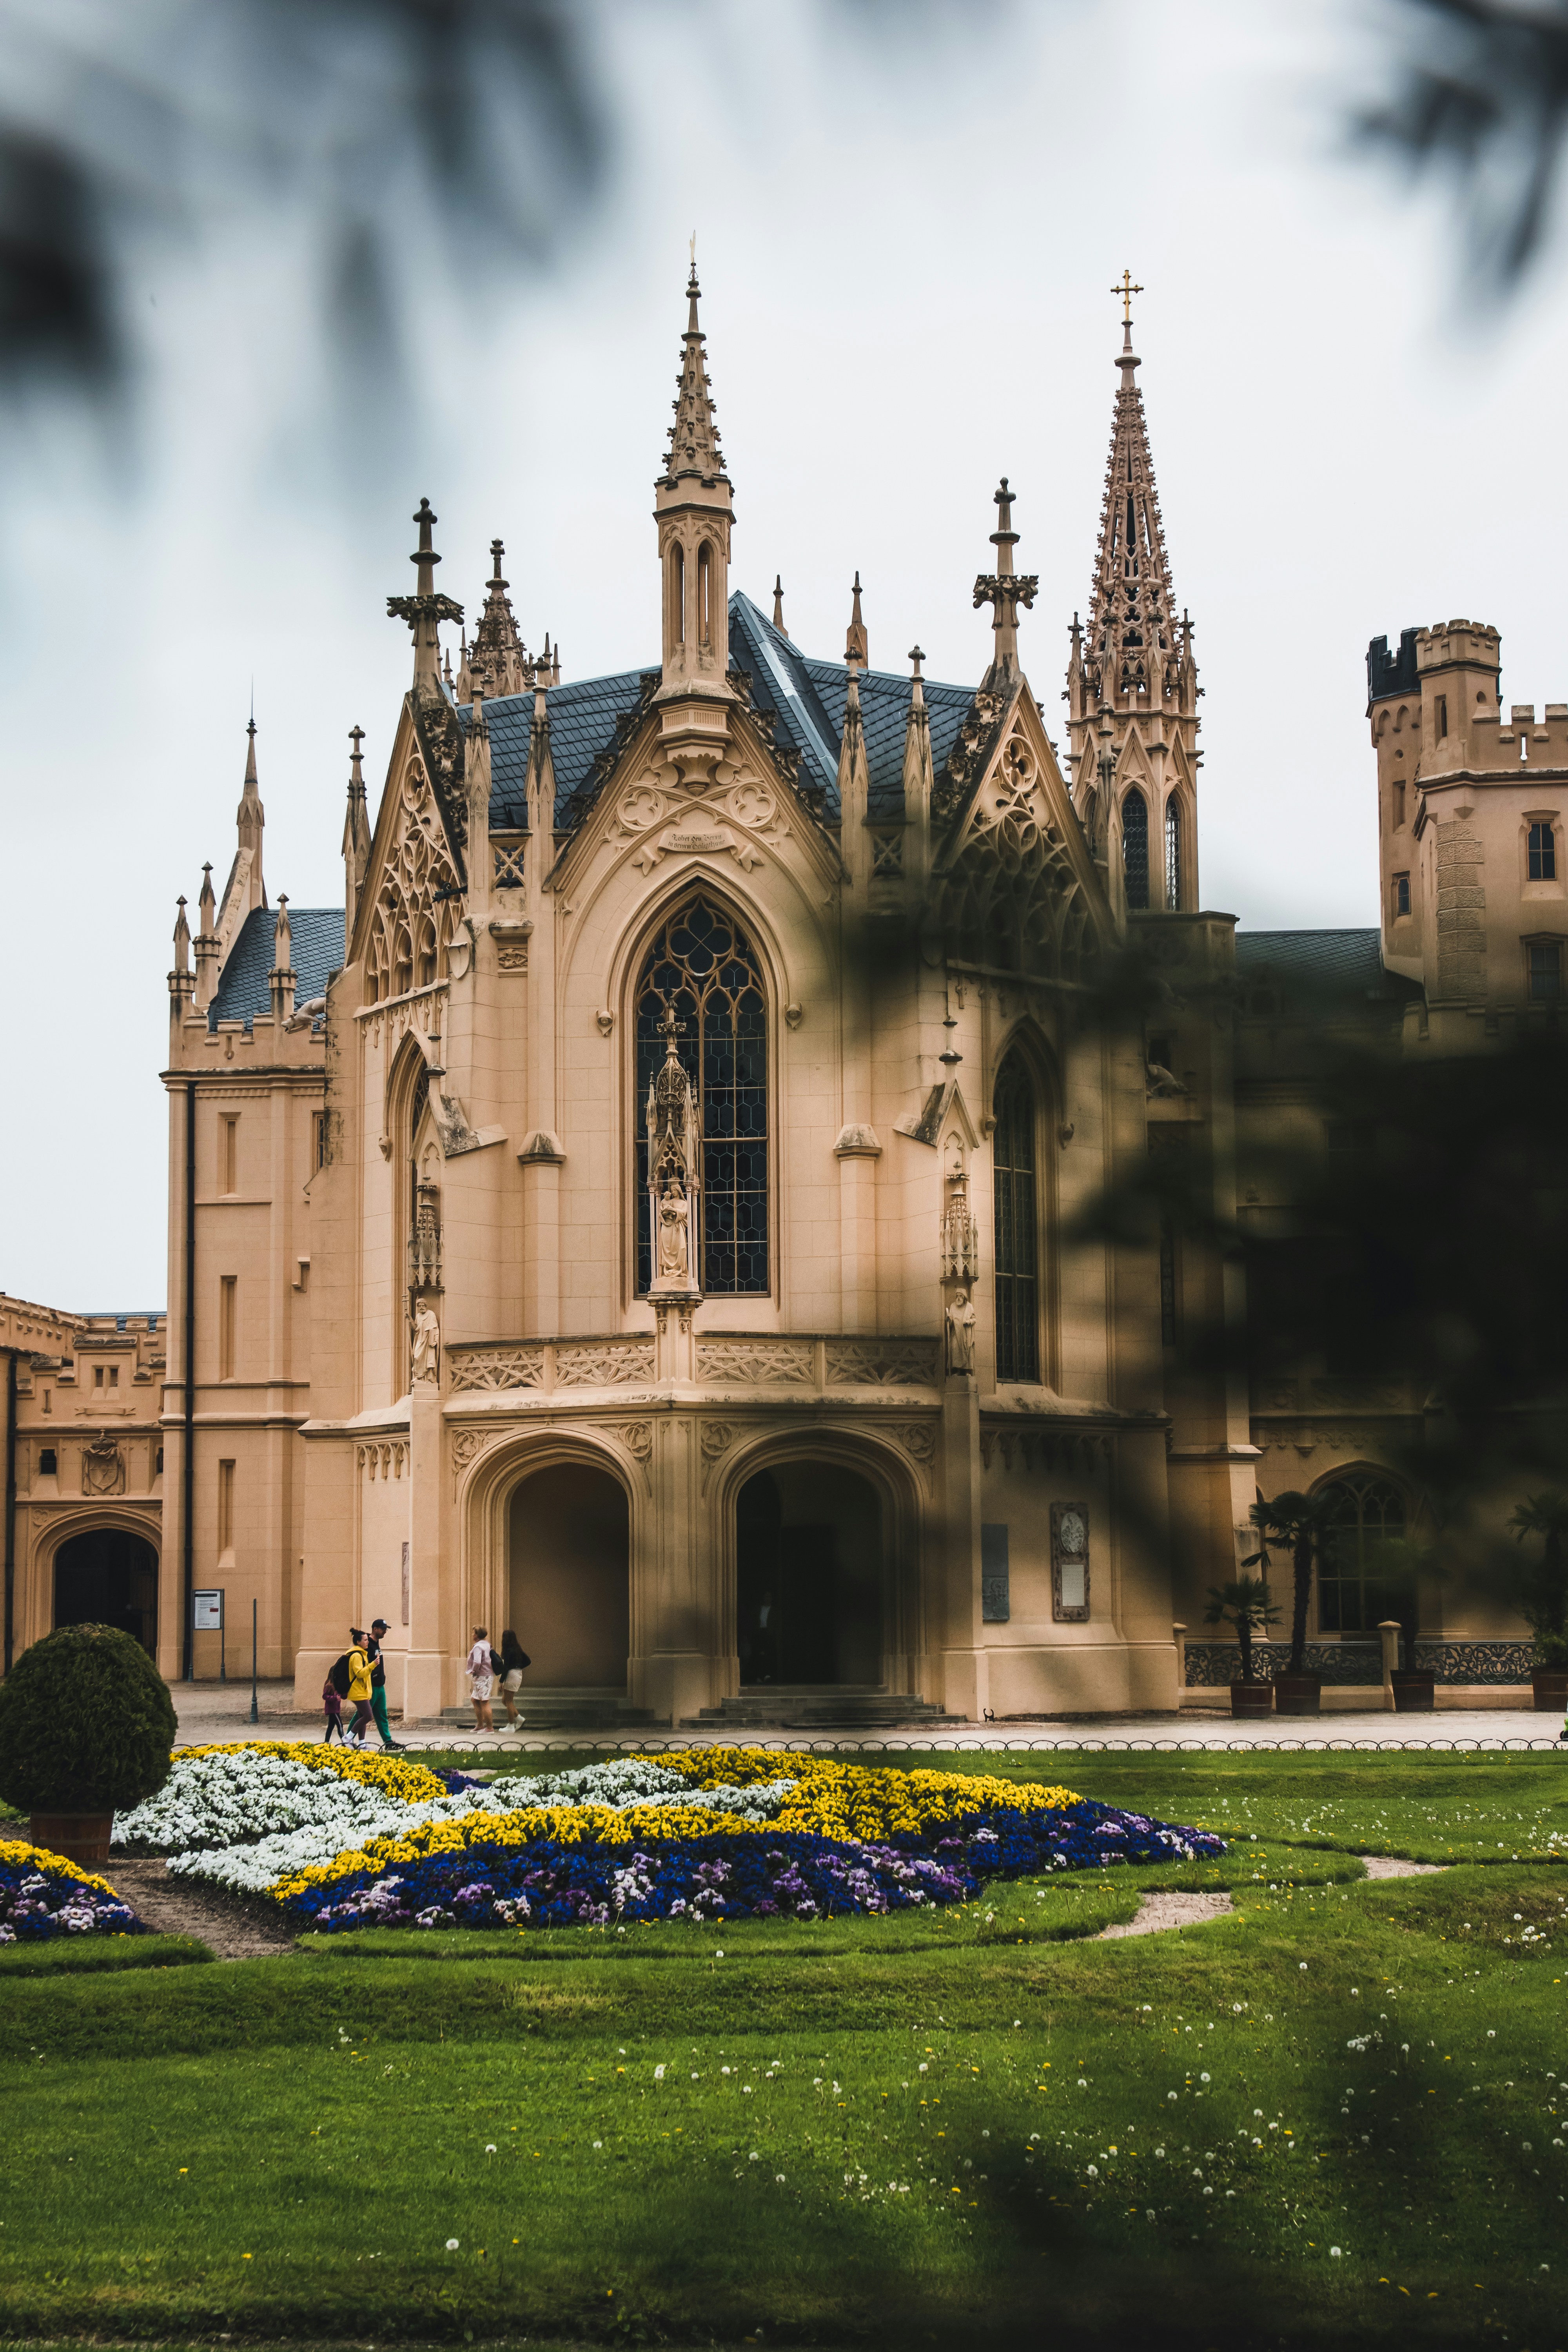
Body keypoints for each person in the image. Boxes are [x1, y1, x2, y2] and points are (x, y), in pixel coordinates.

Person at [365, 1619, 406, 1750]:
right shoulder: (368, 1645)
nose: (385, 1632)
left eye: (386, 1629)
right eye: (383, 1629)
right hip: (372, 1685)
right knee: (363, 1714)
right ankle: (348, 1737)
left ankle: (388, 1742)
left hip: (380, 1685)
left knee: (382, 1714)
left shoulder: (376, 1644)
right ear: (375, 1629)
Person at [345, 1628, 375, 1744]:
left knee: (362, 1716)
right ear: (358, 1642)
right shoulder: (357, 1656)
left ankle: (362, 1743)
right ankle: (349, 1737)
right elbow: (360, 1673)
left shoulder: (362, 1654)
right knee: (368, 1716)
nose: (368, 1642)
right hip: (357, 1691)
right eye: (366, 1640)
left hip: (362, 1690)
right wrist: (372, 1666)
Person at [498, 1629, 529, 1728]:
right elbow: (528, 1661)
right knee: (505, 1700)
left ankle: (511, 1725)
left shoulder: (508, 1650)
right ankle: (519, 1718)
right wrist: (518, 1666)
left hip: (512, 1674)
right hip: (518, 1673)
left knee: (509, 1701)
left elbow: (506, 1667)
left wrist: (501, 1682)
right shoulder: (517, 1649)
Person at [466, 1624, 495, 1731]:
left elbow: (477, 1662)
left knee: (484, 1702)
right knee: (475, 1700)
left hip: (482, 1677)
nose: (472, 1635)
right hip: (485, 1676)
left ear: (477, 1635)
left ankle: (490, 1728)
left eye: (474, 1633)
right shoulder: (487, 1644)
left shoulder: (478, 1647)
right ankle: (480, 1725)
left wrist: (474, 1671)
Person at [321, 1668, 345, 1743]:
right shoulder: (329, 1685)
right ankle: (345, 1742)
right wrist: (335, 1698)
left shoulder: (338, 1685)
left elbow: (343, 1696)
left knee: (331, 1727)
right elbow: (325, 1696)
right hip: (333, 1710)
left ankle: (326, 1742)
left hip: (336, 1709)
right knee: (340, 1725)